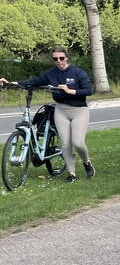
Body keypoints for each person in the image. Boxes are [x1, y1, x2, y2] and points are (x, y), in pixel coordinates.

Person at [0, 46, 95, 182]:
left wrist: (70, 91)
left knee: (78, 142)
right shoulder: (51, 74)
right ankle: (71, 174)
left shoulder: (77, 72)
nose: (59, 61)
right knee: (65, 144)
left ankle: (87, 162)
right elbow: (33, 82)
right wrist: (10, 83)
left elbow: (88, 90)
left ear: (67, 57)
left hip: (79, 111)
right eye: (55, 59)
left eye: (61, 58)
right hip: (60, 110)